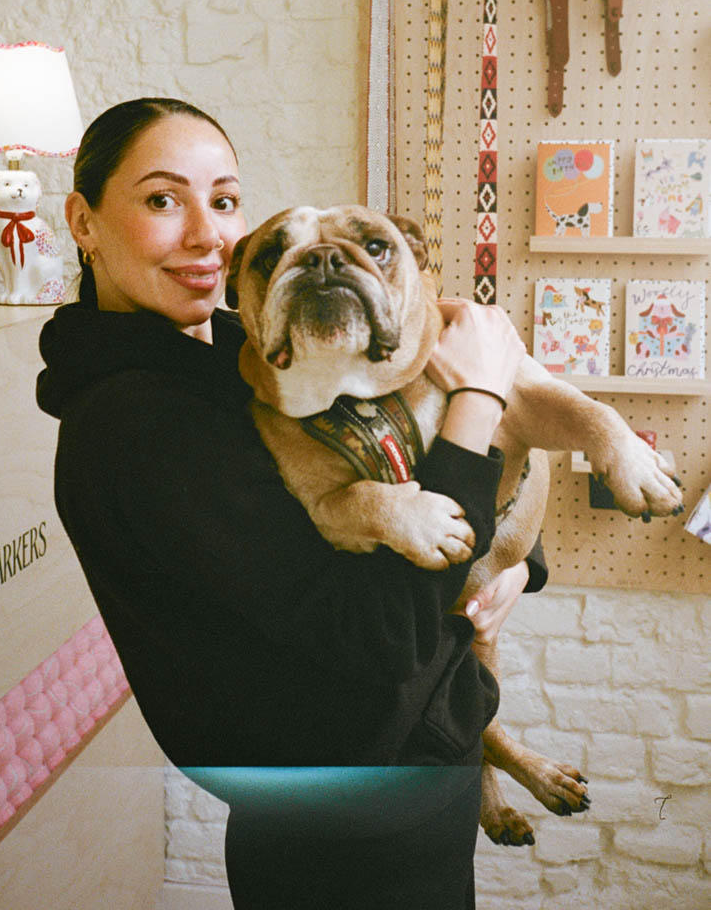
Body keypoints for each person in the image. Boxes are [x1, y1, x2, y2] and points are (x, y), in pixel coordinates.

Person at [36, 98, 547, 908]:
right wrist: (477, 398)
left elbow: (409, 460)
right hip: (346, 825)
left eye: (225, 200)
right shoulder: (140, 422)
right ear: (84, 220)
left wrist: (513, 568)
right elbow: (381, 634)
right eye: (163, 200)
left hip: (402, 781)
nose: (208, 235)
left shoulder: (243, 355)